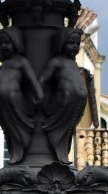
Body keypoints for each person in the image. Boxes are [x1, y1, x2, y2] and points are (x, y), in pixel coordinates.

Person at [0, 25, 44, 164]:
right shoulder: (5, 64)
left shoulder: (21, 61)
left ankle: (23, 150)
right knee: (9, 130)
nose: (3, 46)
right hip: (2, 104)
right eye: (0, 43)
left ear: (16, 42)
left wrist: (39, 93)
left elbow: (32, 79)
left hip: (14, 101)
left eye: (7, 42)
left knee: (17, 131)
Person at [37, 24, 89, 163]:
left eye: (77, 44)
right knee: (61, 133)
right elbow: (42, 80)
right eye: (71, 43)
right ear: (61, 43)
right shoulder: (56, 62)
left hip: (75, 106)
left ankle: (62, 152)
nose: (75, 47)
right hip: (63, 103)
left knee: (68, 132)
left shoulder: (73, 64)